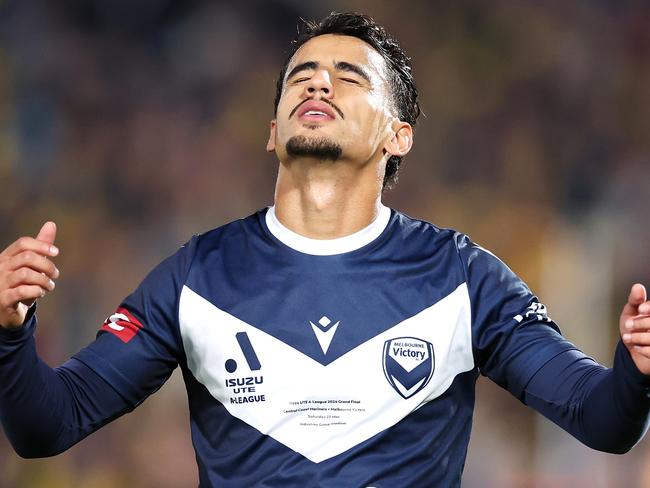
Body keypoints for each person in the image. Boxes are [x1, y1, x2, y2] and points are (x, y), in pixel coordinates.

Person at [1, 12, 649, 487]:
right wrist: (8, 334)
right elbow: (48, 425)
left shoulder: (465, 277)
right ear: (274, 129)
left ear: (398, 135)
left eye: (349, 77)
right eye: (301, 77)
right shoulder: (195, 275)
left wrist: (637, 368)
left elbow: (602, 420)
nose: (318, 85)